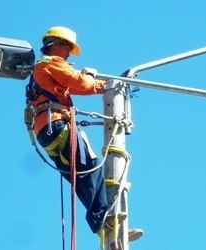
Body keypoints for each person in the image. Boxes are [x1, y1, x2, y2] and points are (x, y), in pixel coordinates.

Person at [28, 26, 143, 242]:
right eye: (67, 47)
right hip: (58, 126)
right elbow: (80, 82)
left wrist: (111, 85)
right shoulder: (51, 63)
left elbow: (80, 87)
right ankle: (103, 216)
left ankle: (104, 228)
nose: (69, 53)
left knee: (80, 177)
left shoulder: (49, 69)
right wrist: (87, 75)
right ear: (55, 45)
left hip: (48, 131)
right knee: (90, 168)